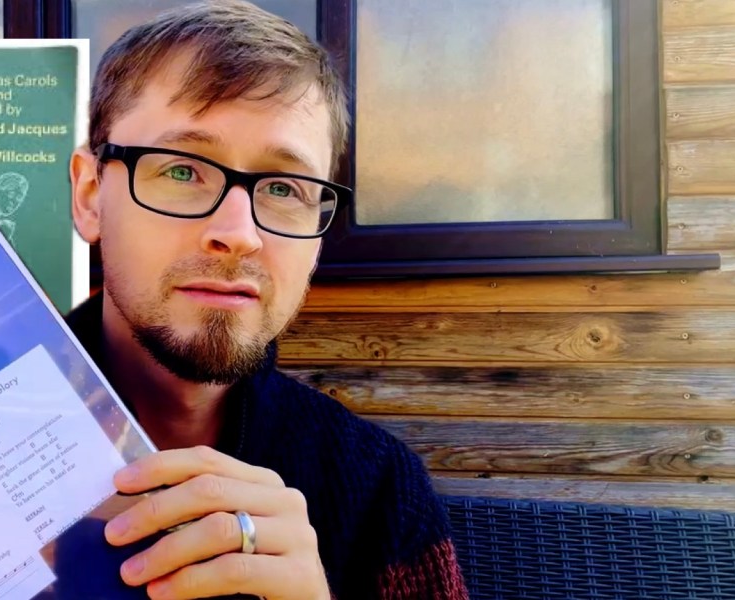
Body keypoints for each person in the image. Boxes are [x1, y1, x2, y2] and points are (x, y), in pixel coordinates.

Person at [60, 1, 470, 598]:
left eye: (283, 187)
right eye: (182, 170)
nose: (240, 233)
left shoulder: (380, 491)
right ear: (92, 195)